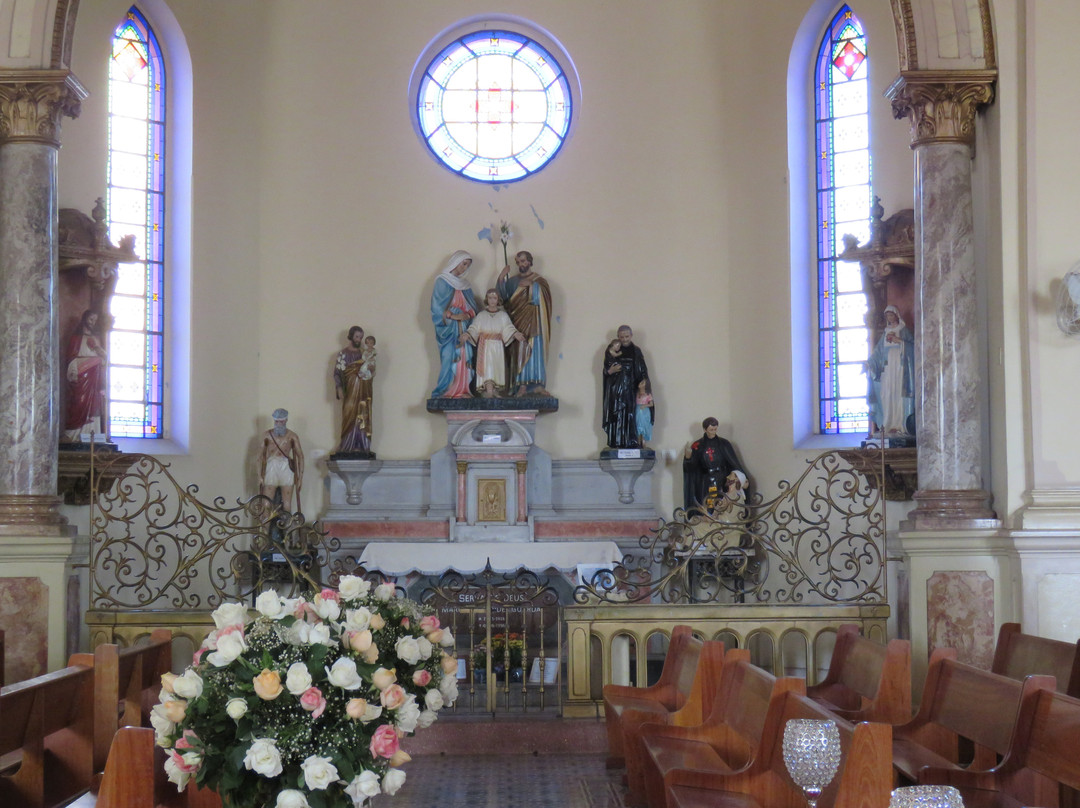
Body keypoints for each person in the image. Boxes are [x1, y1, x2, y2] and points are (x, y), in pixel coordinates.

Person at [497, 250, 552, 396]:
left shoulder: (539, 280)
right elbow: (503, 299)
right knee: (520, 349)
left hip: (534, 319)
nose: (521, 264)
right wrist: (501, 278)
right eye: (518, 262)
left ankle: (537, 384)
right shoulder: (512, 281)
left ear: (529, 261)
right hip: (518, 322)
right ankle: (521, 384)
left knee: (535, 350)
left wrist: (532, 285)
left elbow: (545, 299)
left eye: (523, 261)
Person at [462, 289, 526, 398]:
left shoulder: (502, 315)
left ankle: (495, 390)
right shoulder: (481, 315)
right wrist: (467, 334)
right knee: (488, 368)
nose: (492, 300)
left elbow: (508, 327)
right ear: (487, 299)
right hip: (485, 346)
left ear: (498, 300)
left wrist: (515, 334)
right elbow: (474, 328)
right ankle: (488, 390)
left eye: (494, 298)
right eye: (490, 298)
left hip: (497, 346)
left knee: (496, 368)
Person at [431, 250, 478, 398]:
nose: (464, 268)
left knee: (465, 357)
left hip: (463, 329)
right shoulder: (442, 281)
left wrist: (468, 314)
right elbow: (437, 308)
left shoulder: (466, 286)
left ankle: (463, 389)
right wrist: (453, 315)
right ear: (456, 262)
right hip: (449, 330)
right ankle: (446, 390)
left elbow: (473, 308)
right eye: (464, 264)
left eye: (467, 266)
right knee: (448, 357)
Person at [867, 305, 915, 436]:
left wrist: (899, 341)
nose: (889, 317)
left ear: (896, 315)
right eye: (887, 315)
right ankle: (887, 424)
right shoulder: (885, 332)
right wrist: (870, 363)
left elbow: (914, 347)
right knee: (886, 393)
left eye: (891, 315)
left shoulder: (903, 330)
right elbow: (878, 352)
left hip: (900, 368)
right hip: (887, 368)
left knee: (899, 394)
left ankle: (900, 424)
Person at [602, 326, 651, 449]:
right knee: (617, 413)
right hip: (616, 387)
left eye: (627, 336)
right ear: (618, 337)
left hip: (631, 387)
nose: (624, 339)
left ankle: (631, 440)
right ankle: (617, 440)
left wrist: (643, 382)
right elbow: (606, 369)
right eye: (622, 337)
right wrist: (610, 371)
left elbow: (643, 370)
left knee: (631, 412)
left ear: (631, 335)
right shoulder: (611, 350)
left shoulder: (636, 351)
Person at [683, 417, 745, 514]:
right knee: (709, 501)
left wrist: (742, 478)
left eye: (715, 429)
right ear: (705, 429)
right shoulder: (698, 445)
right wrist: (688, 457)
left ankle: (721, 520)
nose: (713, 432)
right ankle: (709, 520)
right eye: (711, 429)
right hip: (707, 479)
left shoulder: (724, 443)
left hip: (722, 478)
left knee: (722, 501)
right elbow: (691, 467)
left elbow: (733, 462)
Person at [64, 309, 107, 441]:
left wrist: (97, 350)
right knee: (79, 401)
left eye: (95, 320)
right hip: (81, 378)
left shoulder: (95, 339)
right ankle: (74, 434)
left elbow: (104, 359)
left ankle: (92, 435)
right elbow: (70, 360)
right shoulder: (75, 339)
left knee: (94, 405)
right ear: (84, 319)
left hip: (94, 378)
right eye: (91, 319)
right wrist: (92, 361)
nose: (93, 323)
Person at [333, 326, 374, 453]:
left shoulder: (365, 353)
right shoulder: (343, 353)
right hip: (350, 390)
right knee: (349, 413)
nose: (359, 339)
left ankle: (362, 445)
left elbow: (372, 369)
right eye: (357, 337)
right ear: (351, 336)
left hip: (363, 389)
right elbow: (337, 372)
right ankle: (346, 445)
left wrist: (369, 370)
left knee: (362, 414)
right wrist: (339, 388)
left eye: (361, 337)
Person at [258, 408, 305, 512]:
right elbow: (259, 457)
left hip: (286, 467)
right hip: (272, 467)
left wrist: (300, 477)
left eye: (281, 421)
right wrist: (259, 476)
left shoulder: (292, 436)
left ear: (286, 420)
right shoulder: (267, 435)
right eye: (276, 421)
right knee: (266, 503)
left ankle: (287, 528)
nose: (279, 424)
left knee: (286, 504)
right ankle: (265, 528)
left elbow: (300, 456)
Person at [635, 378, 654, 447]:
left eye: (642, 383)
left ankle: (643, 441)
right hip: (637, 411)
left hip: (644, 412)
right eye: (641, 382)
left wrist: (645, 405)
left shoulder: (648, 395)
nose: (640, 383)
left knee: (643, 425)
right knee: (637, 425)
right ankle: (638, 441)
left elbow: (651, 404)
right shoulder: (636, 393)